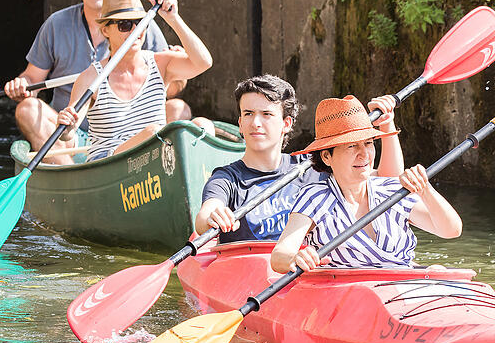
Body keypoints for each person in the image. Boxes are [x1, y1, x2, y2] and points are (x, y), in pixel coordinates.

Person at [4, 0, 191, 155]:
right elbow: (33, 80)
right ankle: (73, 181)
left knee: (179, 109)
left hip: (129, 131)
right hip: (68, 135)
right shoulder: (56, 24)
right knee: (27, 108)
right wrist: (22, 85)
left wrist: (178, 72)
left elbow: (169, 88)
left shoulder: (142, 24)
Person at [194, 75, 405, 243]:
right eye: (248, 114)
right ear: (240, 123)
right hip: (251, 276)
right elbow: (204, 217)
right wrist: (214, 217)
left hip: (306, 270)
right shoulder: (226, 179)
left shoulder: (310, 167)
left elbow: (390, 181)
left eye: (266, 114)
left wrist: (387, 126)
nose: (255, 123)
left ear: (286, 124)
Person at [270, 95, 463, 273]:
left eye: (369, 143)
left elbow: (451, 230)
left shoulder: (390, 190)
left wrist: (425, 190)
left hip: (403, 287)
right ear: (327, 156)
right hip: (351, 296)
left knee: (438, 270)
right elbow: (279, 256)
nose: (364, 154)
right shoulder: (315, 197)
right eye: (352, 146)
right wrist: (296, 257)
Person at [55, 0, 213, 163]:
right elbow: (68, 133)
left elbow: (204, 63)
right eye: (125, 25)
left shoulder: (161, 63)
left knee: (203, 126)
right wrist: (66, 127)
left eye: (140, 23)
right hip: (109, 164)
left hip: (154, 160)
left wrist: (173, 18)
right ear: (106, 30)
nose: (135, 31)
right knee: (152, 133)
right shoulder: (91, 78)